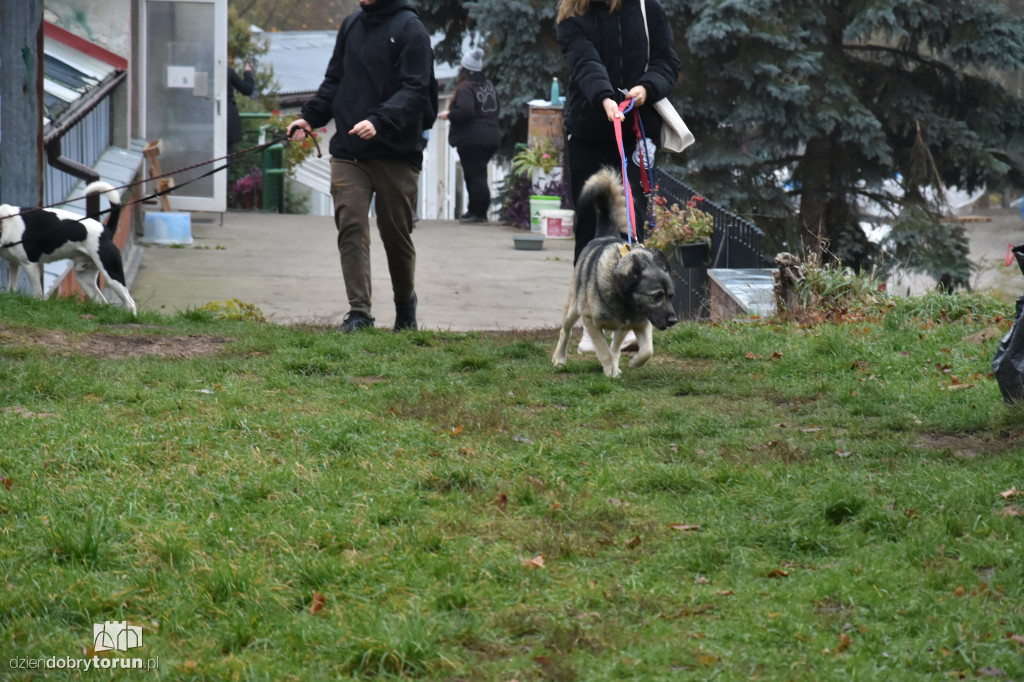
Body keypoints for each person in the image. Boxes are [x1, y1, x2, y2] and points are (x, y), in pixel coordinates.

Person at [286, 0, 435, 332]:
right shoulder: (351, 25)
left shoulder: (411, 30)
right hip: (350, 151)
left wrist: (380, 121)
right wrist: (309, 118)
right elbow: (334, 81)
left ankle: (404, 303)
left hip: (395, 152)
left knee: (395, 234)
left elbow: (416, 91)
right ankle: (360, 313)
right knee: (351, 224)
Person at [556, 0, 680, 352]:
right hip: (590, 133)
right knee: (592, 232)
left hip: (638, 132)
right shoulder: (572, 16)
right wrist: (606, 99)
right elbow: (585, 62)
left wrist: (646, 88)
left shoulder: (646, 8)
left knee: (632, 226)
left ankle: (628, 322)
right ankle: (588, 321)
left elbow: (667, 62)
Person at [437, 47, 501, 223]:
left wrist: (449, 114)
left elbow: (466, 111)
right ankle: (473, 210)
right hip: (491, 136)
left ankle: (479, 214)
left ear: (464, 69)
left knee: (476, 175)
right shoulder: (488, 86)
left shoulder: (466, 88)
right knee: (474, 174)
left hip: (472, 138)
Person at [227, 60, 255, 154]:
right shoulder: (227, 71)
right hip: (228, 121)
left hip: (203, 123)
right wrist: (248, 72)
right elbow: (247, 89)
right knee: (225, 158)